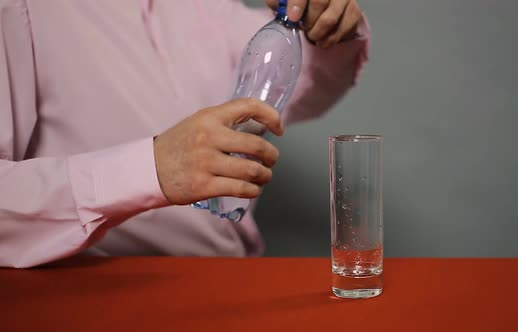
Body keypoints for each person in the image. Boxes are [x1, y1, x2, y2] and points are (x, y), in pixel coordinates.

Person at [0, 0, 371, 268]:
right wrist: (150, 170)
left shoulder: (202, 7)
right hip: (89, 297)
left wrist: (325, 27)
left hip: (229, 283)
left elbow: (299, 90)